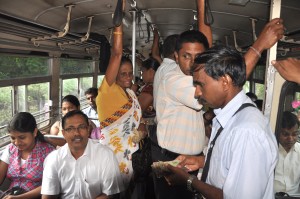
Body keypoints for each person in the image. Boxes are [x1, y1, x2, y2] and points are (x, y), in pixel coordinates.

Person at [164, 45, 278, 199]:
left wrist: (189, 180)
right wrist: (202, 161)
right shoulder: (228, 117)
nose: (197, 92)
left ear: (225, 81)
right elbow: (231, 164)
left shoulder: (246, 132)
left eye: (200, 84)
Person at [95, 0, 143, 191]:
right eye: (123, 74)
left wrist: (143, 130)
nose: (128, 77)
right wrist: (120, 12)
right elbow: (116, 54)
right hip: (112, 157)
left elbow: (136, 121)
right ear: (114, 75)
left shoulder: (130, 92)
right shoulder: (107, 90)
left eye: (130, 72)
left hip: (130, 155)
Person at [41, 110, 123, 199]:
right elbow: (48, 195)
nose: (77, 133)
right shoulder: (53, 159)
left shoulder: (106, 155)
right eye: (70, 129)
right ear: (64, 133)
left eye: (81, 127)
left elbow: (110, 194)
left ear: (88, 130)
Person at [0, 112, 55, 199]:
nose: (17, 143)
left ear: (34, 132)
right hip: (11, 194)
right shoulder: (10, 150)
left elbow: (51, 184)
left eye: (22, 137)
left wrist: (20, 198)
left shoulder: (48, 152)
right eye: (13, 138)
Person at [274, 111, 300, 195]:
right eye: (285, 134)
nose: (291, 138)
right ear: (277, 131)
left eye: (295, 134)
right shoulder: (269, 151)